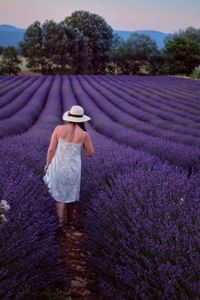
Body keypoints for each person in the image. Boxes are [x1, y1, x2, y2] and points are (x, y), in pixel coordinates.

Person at [43, 105, 94, 229]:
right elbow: (90, 154)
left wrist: (47, 163)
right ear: (82, 119)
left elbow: (51, 149)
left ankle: (60, 224)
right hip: (73, 168)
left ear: (69, 117)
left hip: (58, 165)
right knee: (70, 194)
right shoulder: (84, 134)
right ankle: (70, 221)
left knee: (58, 195)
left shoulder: (59, 128)